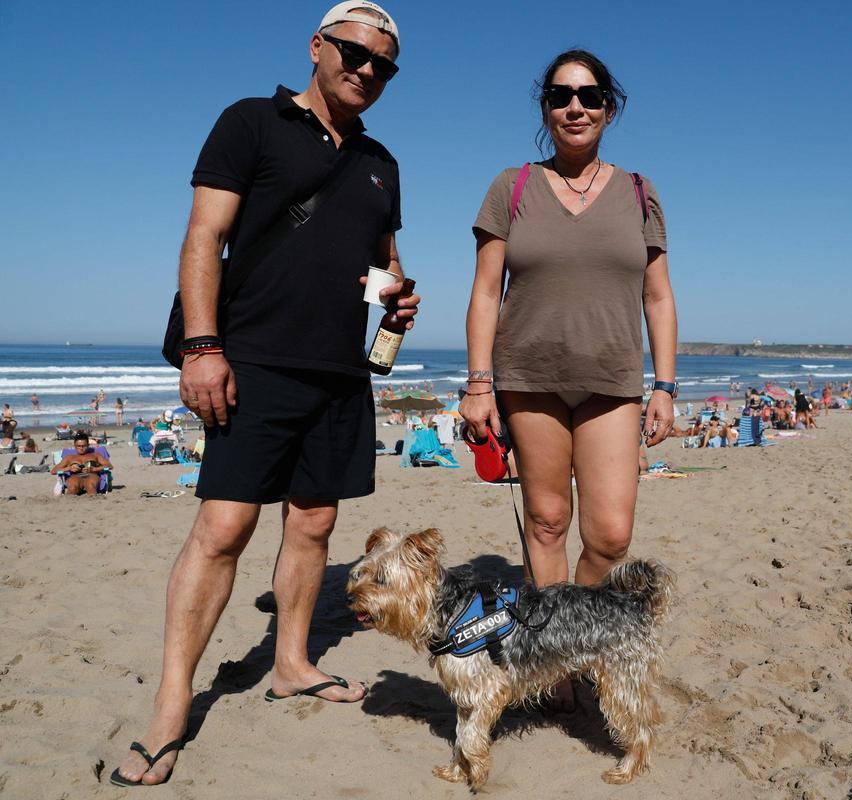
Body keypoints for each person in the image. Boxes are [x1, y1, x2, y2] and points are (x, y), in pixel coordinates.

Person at [111, 3, 419, 788]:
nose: (366, 70)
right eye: (353, 52)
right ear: (318, 47)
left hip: (339, 371)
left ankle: (290, 661)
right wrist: (203, 346)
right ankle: (171, 708)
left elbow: (382, 260)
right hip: (253, 360)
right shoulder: (250, 122)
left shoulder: (381, 161)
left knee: (314, 522)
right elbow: (201, 239)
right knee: (222, 527)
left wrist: (397, 299)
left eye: (383, 63)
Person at [460, 48, 677, 712]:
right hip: (530, 378)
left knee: (609, 535)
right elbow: (486, 293)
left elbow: (659, 298)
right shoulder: (512, 186)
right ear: (546, 108)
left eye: (588, 96)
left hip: (613, 382)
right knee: (548, 522)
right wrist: (478, 383)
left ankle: (570, 634)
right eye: (560, 96)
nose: (574, 106)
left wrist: (665, 385)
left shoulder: (639, 191)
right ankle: (554, 663)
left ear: (609, 108)